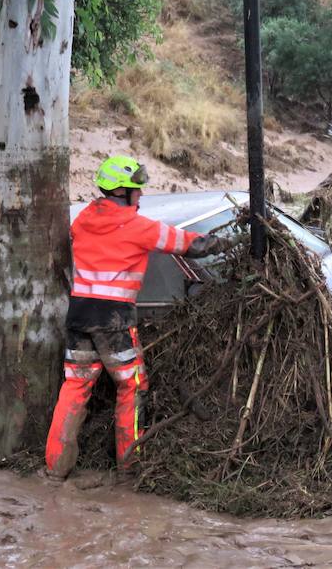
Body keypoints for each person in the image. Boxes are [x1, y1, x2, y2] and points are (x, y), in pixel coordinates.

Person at [45, 156, 236, 480]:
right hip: (113, 320)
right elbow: (189, 244)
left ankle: (55, 469)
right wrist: (229, 241)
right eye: (137, 190)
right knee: (132, 385)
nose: (141, 196)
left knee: (75, 386)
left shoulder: (82, 220)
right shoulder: (137, 227)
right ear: (123, 190)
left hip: (78, 315)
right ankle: (130, 467)